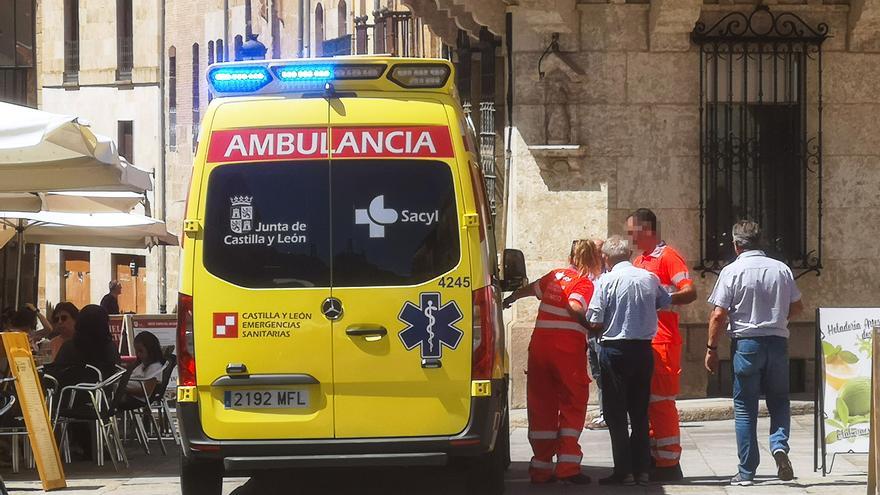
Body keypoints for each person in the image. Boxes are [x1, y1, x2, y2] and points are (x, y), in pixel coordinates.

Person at [705, 220, 803, 486]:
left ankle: (747, 471)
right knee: (779, 401)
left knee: (745, 408)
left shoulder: (732, 271)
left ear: (736, 245)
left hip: (747, 344)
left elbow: (718, 314)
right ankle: (779, 447)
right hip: (777, 342)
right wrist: (778, 320)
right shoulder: (781, 269)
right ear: (761, 242)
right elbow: (797, 307)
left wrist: (711, 349)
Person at [503, 239, 602, 485]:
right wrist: (589, 326)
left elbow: (531, 289)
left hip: (539, 349)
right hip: (566, 352)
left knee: (541, 404)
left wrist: (511, 298)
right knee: (572, 402)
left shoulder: (555, 275)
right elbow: (574, 304)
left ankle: (541, 468)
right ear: (591, 259)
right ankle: (568, 467)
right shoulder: (584, 282)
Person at [587, 236, 672, 486]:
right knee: (639, 412)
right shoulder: (648, 277)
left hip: (615, 349)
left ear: (607, 257)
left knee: (615, 413)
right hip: (643, 350)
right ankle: (642, 470)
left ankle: (623, 471)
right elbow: (665, 302)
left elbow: (595, 318)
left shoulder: (606, 281)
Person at [627, 208, 696, 481]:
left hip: (663, 341)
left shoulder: (668, 257)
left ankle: (669, 464)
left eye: (633, 233)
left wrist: (664, 298)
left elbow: (690, 291)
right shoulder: (639, 261)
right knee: (647, 404)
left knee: (662, 403)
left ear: (647, 230)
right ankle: (656, 458)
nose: (630, 238)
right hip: (645, 340)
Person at [48, 304, 121, 386]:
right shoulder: (110, 347)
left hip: (71, 395)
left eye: (64, 318)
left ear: (79, 322)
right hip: (102, 395)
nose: (60, 322)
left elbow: (54, 375)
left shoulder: (70, 347)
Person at [586, 238, 607, 430]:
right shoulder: (587, 275)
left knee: (607, 374)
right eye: (594, 251)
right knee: (598, 374)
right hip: (589, 332)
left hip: (604, 332)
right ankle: (604, 413)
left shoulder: (609, 276)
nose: (597, 255)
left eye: (600, 251)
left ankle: (608, 414)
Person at [125, 331, 166, 402]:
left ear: (150, 350)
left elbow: (147, 391)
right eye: (136, 351)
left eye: (140, 351)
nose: (138, 354)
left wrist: (124, 389)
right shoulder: (142, 364)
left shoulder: (155, 367)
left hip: (133, 397)